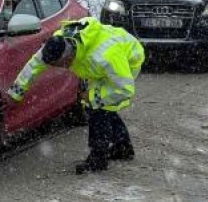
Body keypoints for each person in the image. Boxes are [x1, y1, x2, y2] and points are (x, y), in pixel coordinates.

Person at [8, 17, 145, 174]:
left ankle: (98, 160)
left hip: (127, 60)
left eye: (61, 65)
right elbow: (35, 64)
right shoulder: (57, 44)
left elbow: (124, 88)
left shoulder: (106, 56)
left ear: (69, 57)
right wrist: (16, 92)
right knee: (104, 107)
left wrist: (92, 96)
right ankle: (123, 147)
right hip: (99, 65)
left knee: (98, 109)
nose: (60, 68)